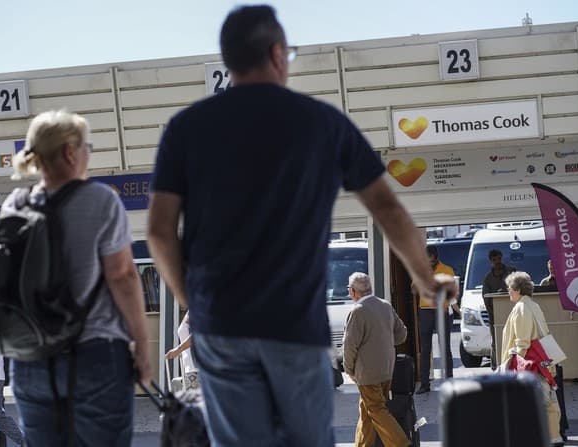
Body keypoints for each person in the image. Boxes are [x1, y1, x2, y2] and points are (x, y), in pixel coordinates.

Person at [147, 5, 457, 446]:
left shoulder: (185, 128)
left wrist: (194, 303)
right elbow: (388, 210)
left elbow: (159, 232)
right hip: (294, 328)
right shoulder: (321, 122)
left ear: (229, 60)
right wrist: (425, 281)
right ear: (276, 54)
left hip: (221, 327)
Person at [5, 110, 151, 446]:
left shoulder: (15, 204)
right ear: (71, 152)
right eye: (89, 146)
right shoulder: (101, 200)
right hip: (95, 354)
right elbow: (124, 275)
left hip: (29, 359)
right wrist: (142, 346)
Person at [343, 272, 409, 447]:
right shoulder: (385, 305)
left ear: (353, 291)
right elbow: (402, 334)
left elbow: (349, 346)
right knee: (367, 411)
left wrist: (349, 370)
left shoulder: (357, 311)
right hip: (387, 369)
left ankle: (402, 444)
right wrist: (384, 342)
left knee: (377, 410)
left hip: (367, 373)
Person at [500, 271, 563, 446]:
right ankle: (554, 436)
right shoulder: (534, 305)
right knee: (548, 400)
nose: (508, 292)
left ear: (518, 289)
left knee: (540, 401)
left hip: (529, 363)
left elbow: (522, 342)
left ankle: (546, 438)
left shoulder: (521, 308)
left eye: (510, 288)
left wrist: (513, 362)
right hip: (542, 360)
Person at [415, 245, 455, 394]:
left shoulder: (447, 270)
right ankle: (425, 384)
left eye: (432, 261)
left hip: (441, 310)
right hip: (425, 311)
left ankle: (449, 381)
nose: (430, 263)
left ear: (436, 257)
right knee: (425, 349)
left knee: (445, 347)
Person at [482, 249, 515, 369]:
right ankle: (496, 367)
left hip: (513, 313)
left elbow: (520, 286)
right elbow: (486, 298)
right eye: (494, 260)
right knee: (496, 342)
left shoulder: (512, 272)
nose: (497, 262)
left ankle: (513, 366)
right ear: (490, 261)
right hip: (495, 317)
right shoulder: (488, 278)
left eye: (499, 259)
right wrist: (493, 313)